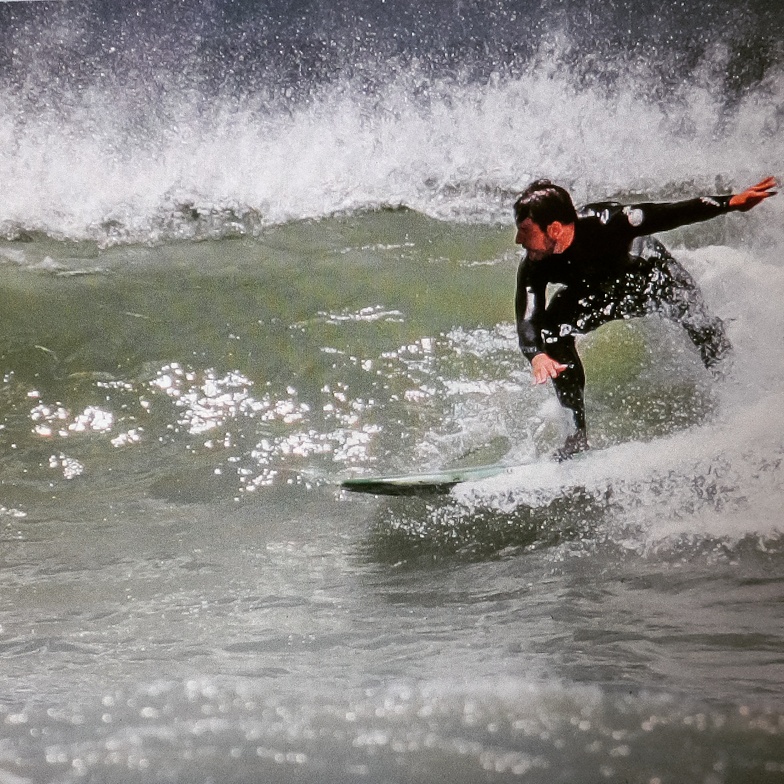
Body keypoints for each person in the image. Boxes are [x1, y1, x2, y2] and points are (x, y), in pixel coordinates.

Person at [514, 176, 777, 460]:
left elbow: (670, 213)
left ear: (553, 228)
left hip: (649, 276)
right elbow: (528, 317)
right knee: (552, 333)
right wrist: (536, 355)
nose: (518, 239)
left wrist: (731, 203)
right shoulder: (534, 265)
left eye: (525, 231)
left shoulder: (609, 221)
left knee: (700, 322)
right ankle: (576, 438)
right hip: (597, 292)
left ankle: (738, 399)